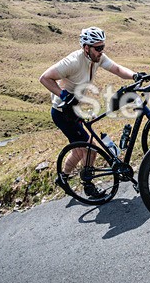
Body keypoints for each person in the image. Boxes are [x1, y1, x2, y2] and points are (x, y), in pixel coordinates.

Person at [39, 27, 137, 187]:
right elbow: (44, 78)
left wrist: (135, 75)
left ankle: (62, 178)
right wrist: (63, 95)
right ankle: (88, 185)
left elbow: (117, 69)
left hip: (75, 109)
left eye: (103, 47)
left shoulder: (97, 58)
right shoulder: (73, 61)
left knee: (79, 151)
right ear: (86, 48)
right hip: (62, 112)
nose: (101, 51)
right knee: (90, 148)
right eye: (98, 48)